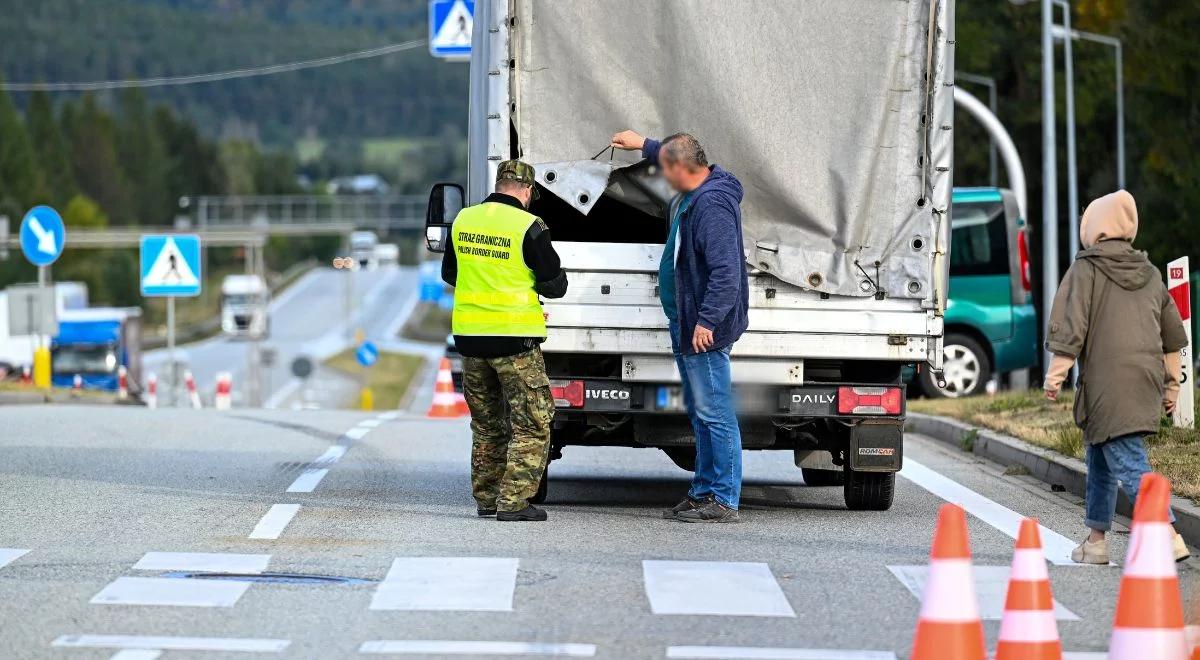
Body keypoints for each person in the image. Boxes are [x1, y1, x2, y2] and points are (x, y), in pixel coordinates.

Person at [1043, 190, 1190, 563]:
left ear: (1092, 226)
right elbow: (1173, 336)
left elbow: (1071, 326)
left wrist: (1054, 377)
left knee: (1127, 459)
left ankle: (1168, 533)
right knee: (1100, 458)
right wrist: (1171, 386)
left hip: (1108, 384)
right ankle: (1095, 541)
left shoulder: (1086, 269)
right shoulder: (1150, 273)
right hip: (1144, 378)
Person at [611, 130, 749, 523]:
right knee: (702, 412)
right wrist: (643, 144)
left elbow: (726, 272)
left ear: (680, 169)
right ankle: (704, 489)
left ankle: (723, 498)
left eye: (663, 169)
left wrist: (707, 320)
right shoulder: (698, 186)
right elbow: (673, 153)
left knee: (715, 412)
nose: (662, 178)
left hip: (702, 328)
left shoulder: (712, 206)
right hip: (688, 321)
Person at [441, 160, 568, 522]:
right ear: (527, 191)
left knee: (486, 424)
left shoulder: (464, 220)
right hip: (514, 342)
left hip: (470, 339)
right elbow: (554, 284)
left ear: (498, 184)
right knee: (533, 421)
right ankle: (513, 502)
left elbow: (450, 272)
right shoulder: (529, 226)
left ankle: (486, 497)